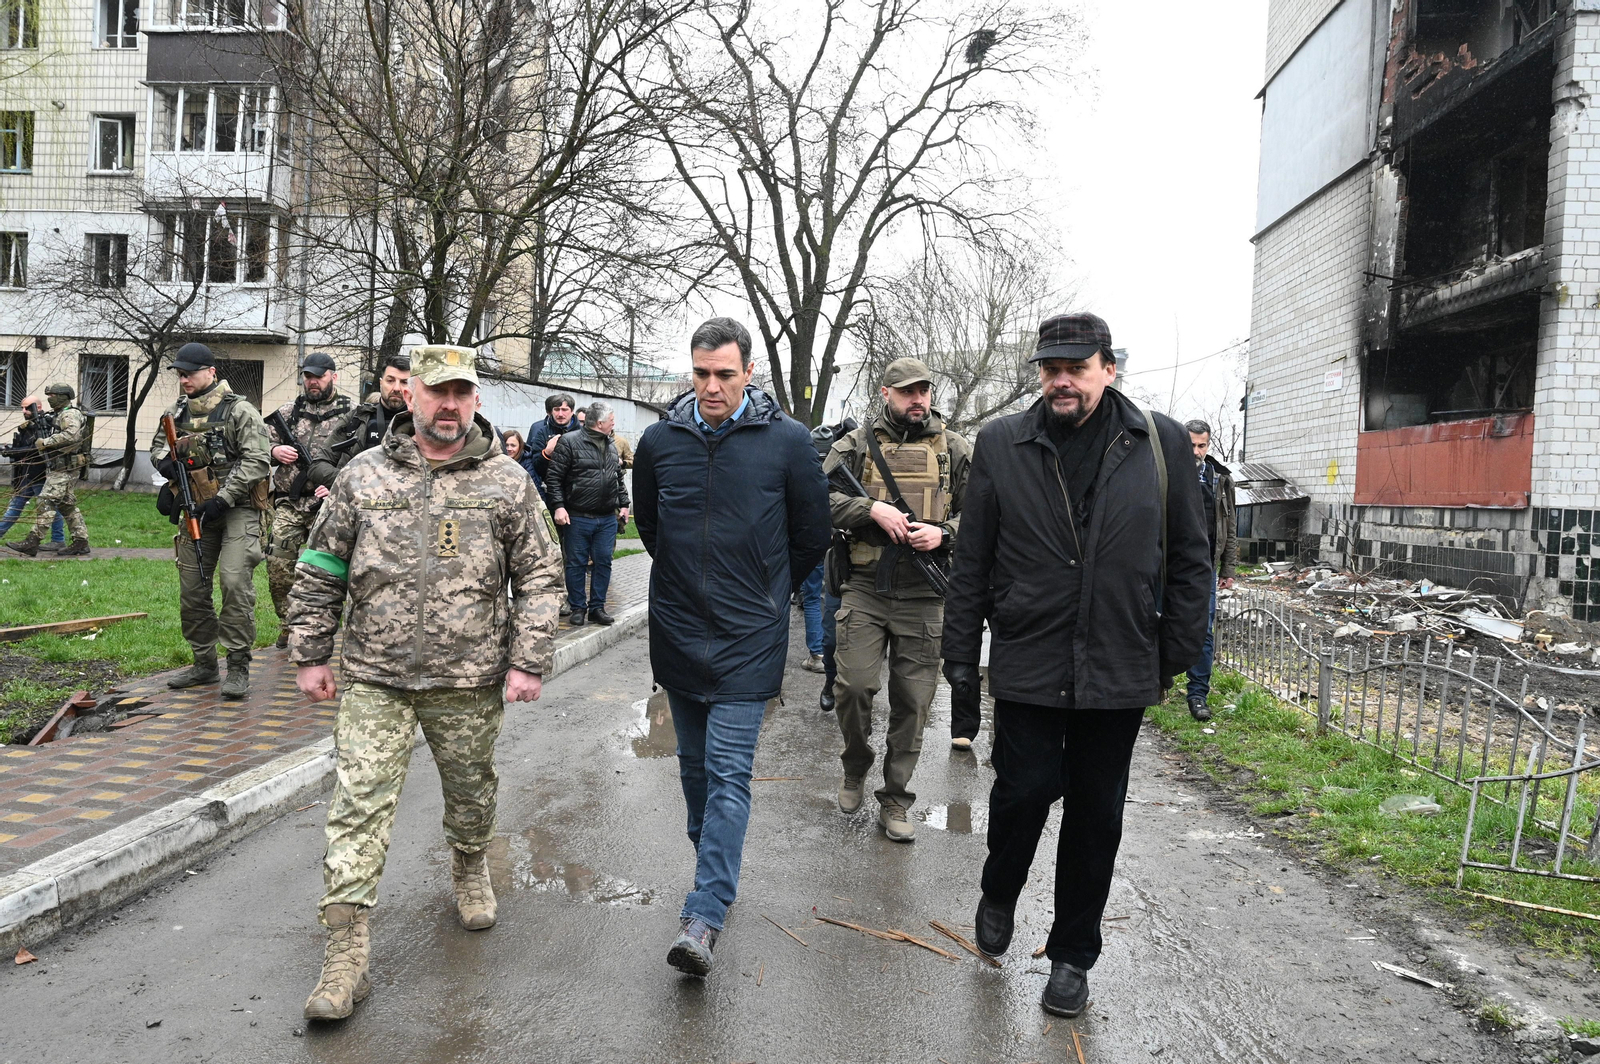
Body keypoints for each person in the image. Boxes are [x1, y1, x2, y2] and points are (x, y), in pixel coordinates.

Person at [941, 312, 1210, 1018]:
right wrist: (961, 658)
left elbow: (1190, 556)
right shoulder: (1005, 442)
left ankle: (1071, 956)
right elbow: (972, 565)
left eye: (1077, 368)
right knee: (1022, 792)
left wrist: (1173, 652)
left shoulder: (1158, 443)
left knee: (1096, 817)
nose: (1061, 381)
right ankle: (1000, 888)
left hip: (1121, 665)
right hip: (1030, 657)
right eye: (1050, 368)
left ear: (1108, 368)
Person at [286, 343, 562, 1022]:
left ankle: (469, 861)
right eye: (436, 392)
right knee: (357, 807)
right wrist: (311, 652)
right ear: (409, 395)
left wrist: (528, 660)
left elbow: (539, 577)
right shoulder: (362, 476)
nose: (449, 406)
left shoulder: (505, 482)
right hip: (375, 676)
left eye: (461, 393)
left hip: (467, 680)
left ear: (475, 400)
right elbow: (321, 563)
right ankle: (346, 958)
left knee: (471, 790)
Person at [632, 316, 829, 977]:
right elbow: (653, 528)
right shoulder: (660, 442)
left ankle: (705, 912)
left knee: (727, 775)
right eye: (700, 373)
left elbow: (810, 535)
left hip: (750, 638)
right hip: (681, 633)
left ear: (749, 373)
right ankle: (710, 874)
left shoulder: (788, 444)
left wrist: (769, 596)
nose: (711, 386)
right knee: (694, 774)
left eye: (724, 374)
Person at [823, 358, 971, 840]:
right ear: (885, 393)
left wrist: (944, 533)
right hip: (866, 586)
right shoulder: (856, 445)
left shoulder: (954, 449)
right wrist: (871, 509)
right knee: (854, 687)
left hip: (925, 594)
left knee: (913, 703)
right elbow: (814, 497)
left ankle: (896, 799)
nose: (918, 400)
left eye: (924, 391)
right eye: (907, 391)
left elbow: (989, 512)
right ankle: (855, 765)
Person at [148, 342, 271, 698]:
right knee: (193, 587)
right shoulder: (175, 413)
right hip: (195, 509)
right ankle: (204, 663)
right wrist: (165, 464)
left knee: (234, 583)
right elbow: (159, 445)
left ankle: (237, 665)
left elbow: (257, 460)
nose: (184, 379)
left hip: (237, 509)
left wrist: (223, 498)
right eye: (180, 374)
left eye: (190, 373)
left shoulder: (240, 411)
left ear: (211, 372)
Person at [264, 353, 353, 648]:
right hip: (290, 502)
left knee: (329, 570)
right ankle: (289, 624)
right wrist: (275, 452)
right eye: (307, 376)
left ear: (333, 377)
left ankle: (322, 627)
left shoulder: (351, 416)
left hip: (330, 504)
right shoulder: (289, 411)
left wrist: (336, 485)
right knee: (278, 564)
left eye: (319, 376)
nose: (312, 382)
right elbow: (259, 443)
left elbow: (361, 458)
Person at [546, 400, 629, 627]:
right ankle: (577, 608)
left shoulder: (611, 445)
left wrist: (624, 503)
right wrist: (559, 506)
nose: (614, 423)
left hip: (606, 518)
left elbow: (617, 478)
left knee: (603, 562)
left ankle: (597, 608)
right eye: (612, 420)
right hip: (578, 516)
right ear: (600, 422)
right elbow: (554, 478)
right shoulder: (570, 442)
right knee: (576, 564)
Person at [1184, 418, 1237, 723]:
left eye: (1201, 445)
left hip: (1205, 566)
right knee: (1156, 621)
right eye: (1191, 444)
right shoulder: (1167, 473)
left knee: (1204, 629)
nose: (1196, 451)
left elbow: (1230, 526)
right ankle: (1159, 682)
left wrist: (1228, 567)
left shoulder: (1220, 479)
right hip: (1169, 563)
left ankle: (1197, 694)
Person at [5, 384, 90, 557]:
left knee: (46, 501)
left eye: (52, 395)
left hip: (64, 468)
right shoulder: (59, 414)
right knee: (67, 506)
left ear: (62, 396)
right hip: (61, 467)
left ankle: (32, 542)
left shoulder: (70, 414)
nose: (49, 398)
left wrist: (46, 442)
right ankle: (81, 541)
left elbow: (71, 436)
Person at [308, 354, 410, 489]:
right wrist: (354, 484)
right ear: (381, 383)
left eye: (404, 382)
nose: (397, 388)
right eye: (390, 380)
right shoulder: (356, 419)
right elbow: (317, 466)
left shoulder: (422, 423)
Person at [0, 395, 66, 549]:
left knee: (49, 509)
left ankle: (58, 539)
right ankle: (58, 539)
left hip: (41, 473)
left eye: (28, 407)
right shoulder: (29, 426)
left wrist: (13, 452)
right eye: (22, 408)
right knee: (16, 507)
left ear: (38, 407)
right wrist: (11, 450)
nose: (24, 411)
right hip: (28, 473)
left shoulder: (46, 425)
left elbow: (37, 449)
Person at [525, 392, 579, 501]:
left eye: (564, 410)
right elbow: (536, 467)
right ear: (551, 411)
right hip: (549, 492)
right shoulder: (542, 432)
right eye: (556, 409)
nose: (560, 414)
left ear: (572, 411)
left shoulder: (582, 433)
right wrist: (547, 453)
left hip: (576, 493)